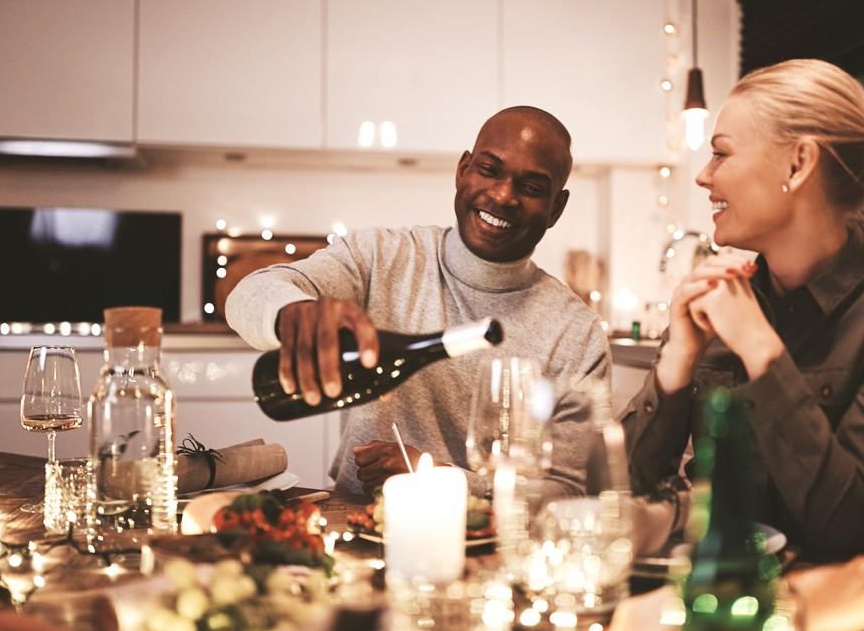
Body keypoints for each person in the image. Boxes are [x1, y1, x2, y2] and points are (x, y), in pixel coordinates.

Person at [621, 59, 864, 560]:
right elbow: (619, 499)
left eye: (721, 154)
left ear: (798, 163)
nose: (702, 176)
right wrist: (676, 365)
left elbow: (851, 528)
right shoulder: (719, 299)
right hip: (703, 605)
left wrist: (761, 349)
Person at [227, 106, 610, 498]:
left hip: (498, 546)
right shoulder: (380, 257)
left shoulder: (577, 333)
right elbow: (250, 293)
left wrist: (442, 476)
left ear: (556, 209)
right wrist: (294, 313)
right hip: (356, 525)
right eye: (489, 169)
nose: (502, 195)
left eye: (530, 188)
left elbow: (566, 490)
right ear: (462, 170)